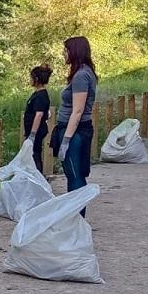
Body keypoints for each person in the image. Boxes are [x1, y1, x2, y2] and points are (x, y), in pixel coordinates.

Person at [52, 36, 97, 215]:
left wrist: (66, 140)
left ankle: (77, 218)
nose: (64, 54)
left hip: (75, 132)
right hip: (75, 130)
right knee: (75, 174)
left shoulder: (81, 76)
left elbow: (77, 111)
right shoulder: (83, 73)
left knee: (75, 175)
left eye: (66, 50)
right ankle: (75, 216)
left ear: (75, 51)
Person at [23, 64, 53, 171]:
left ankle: (38, 177)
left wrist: (32, 134)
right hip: (32, 129)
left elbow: (39, 114)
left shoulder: (41, 95)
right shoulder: (37, 94)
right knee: (33, 154)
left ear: (36, 79)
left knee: (35, 154)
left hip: (37, 131)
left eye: (31, 78)